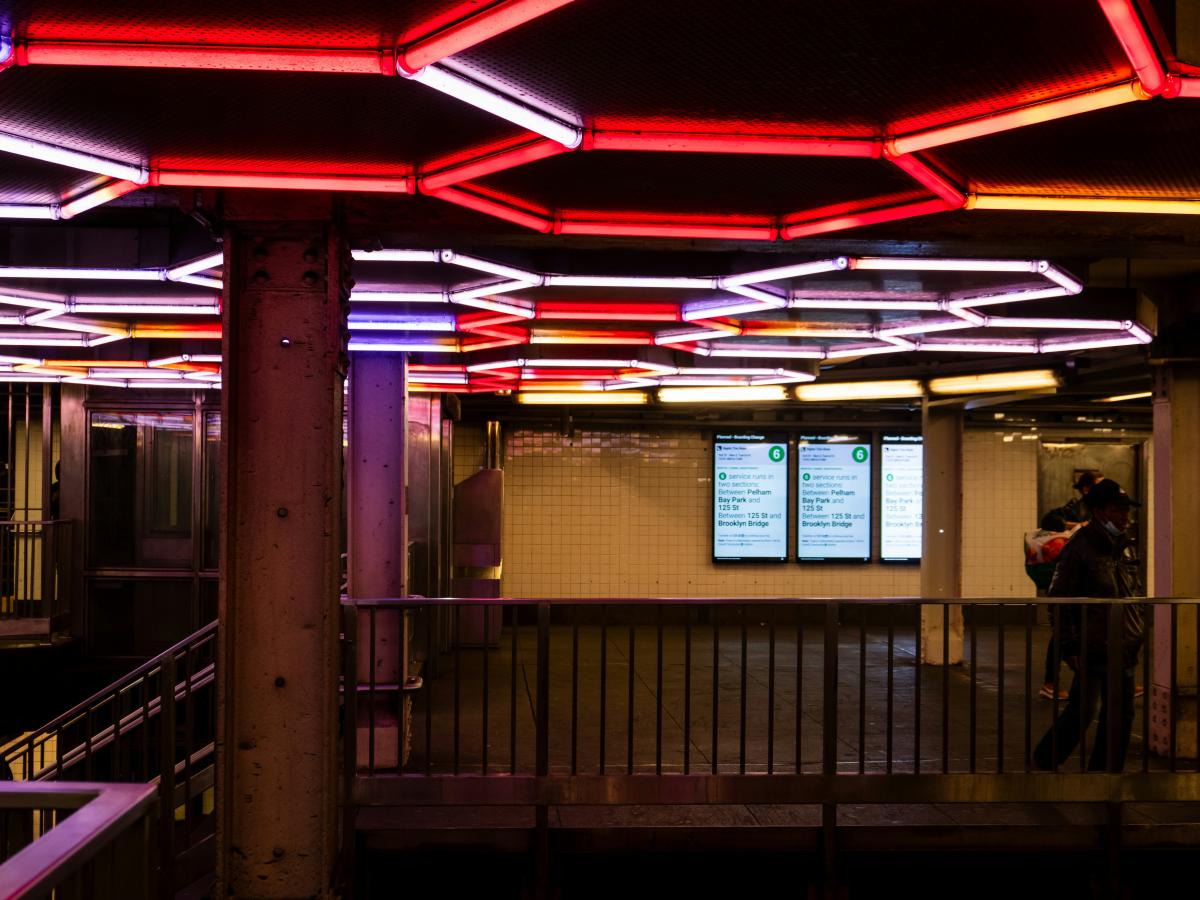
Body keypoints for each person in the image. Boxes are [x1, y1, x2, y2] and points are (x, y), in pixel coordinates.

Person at [1033, 478, 1144, 772]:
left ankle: (1105, 775)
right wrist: (1069, 645)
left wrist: (1138, 628)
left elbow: (1133, 590)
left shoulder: (1127, 547)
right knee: (1084, 711)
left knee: (1121, 714)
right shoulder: (1079, 547)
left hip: (1125, 643)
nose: (1125, 516)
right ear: (1098, 511)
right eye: (1118, 510)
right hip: (1093, 644)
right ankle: (1045, 760)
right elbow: (1059, 599)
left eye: (1126, 510)